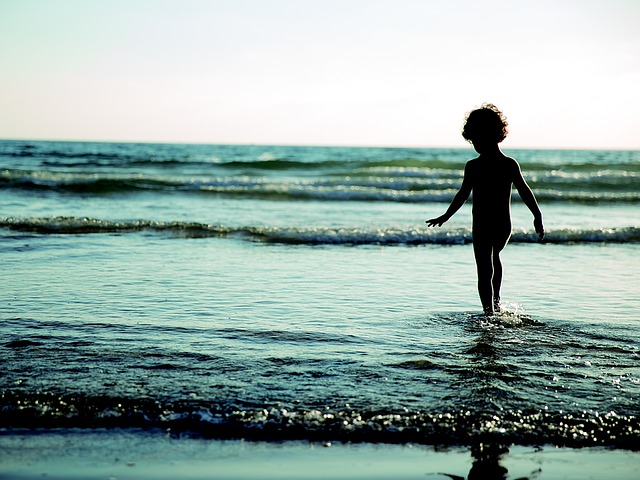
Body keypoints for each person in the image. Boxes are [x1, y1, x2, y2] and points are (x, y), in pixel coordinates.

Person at [426, 104, 544, 315]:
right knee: (494, 259)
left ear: (489, 135)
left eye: (476, 139)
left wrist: (537, 216)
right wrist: (537, 215)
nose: (474, 144)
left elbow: (463, 195)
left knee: (484, 268)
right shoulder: (508, 163)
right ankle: (496, 305)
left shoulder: (476, 166)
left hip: (482, 225)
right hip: (502, 225)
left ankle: (488, 312)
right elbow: (524, 191)